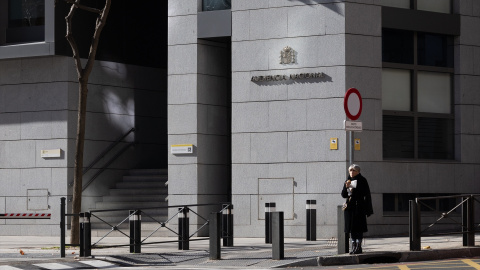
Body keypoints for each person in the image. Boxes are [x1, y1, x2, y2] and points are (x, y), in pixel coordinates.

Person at [341, 164, 373, 254]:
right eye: (350, 170)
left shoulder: (362, 180)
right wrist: (347, 187)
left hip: (359, 207)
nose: (351, 172)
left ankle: (359, 247)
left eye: (354, 170)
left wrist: (353, 189)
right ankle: (353, 246)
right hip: (350, 208)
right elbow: (344, 195)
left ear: (358, 172)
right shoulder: (348, 181)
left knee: (358, 228)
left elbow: (365, 194)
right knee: (351, 229)